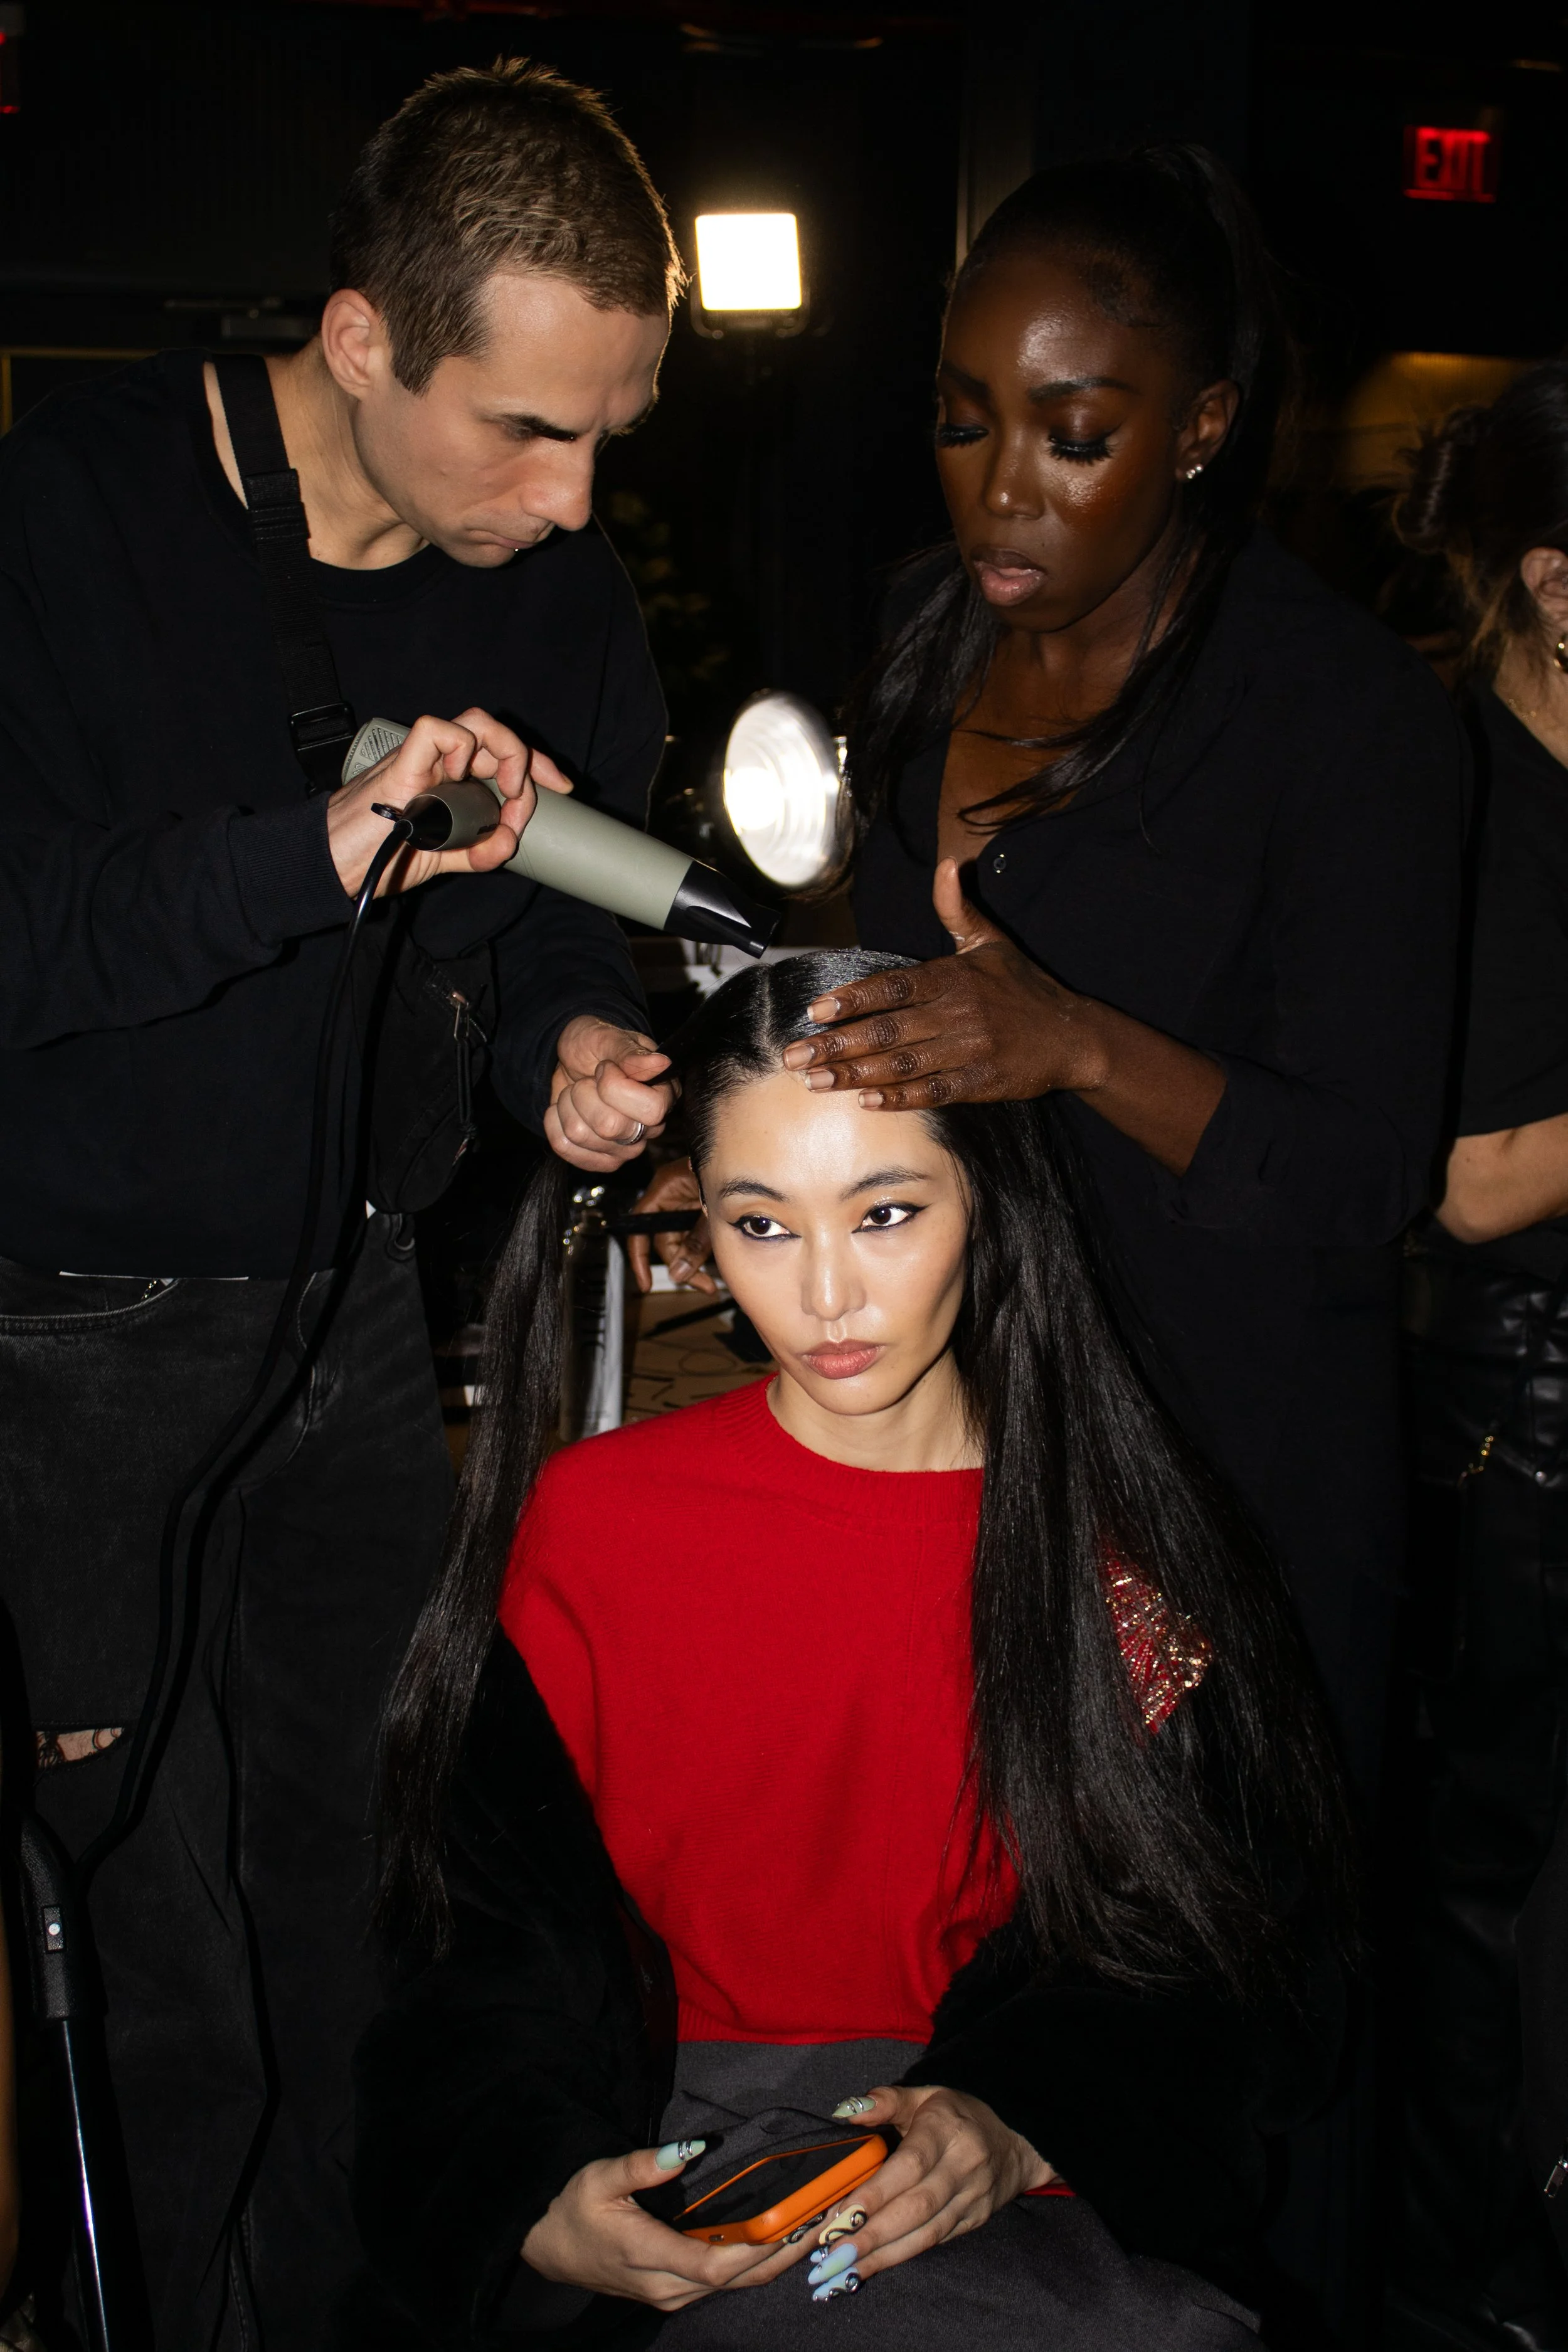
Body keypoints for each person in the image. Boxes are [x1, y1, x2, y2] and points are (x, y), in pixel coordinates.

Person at [0, 61, 680, 2352]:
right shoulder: (68, 514)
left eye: (614, 431)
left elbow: (550, 944)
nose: (579, 497)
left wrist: (573, 1046)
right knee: (153, 1976)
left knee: (370, 1910)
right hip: (69, 1351)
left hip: (363, 1331)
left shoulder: (552, 582)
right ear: (365, 335)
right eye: (530, 430)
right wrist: (314, 850)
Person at [348, 949, 1352, 2351]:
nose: (825, 1297)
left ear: (987, 1205)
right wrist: (525, 2187)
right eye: (761, 1226)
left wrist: (1011, 2119)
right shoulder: (594, 1524)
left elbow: (1210, 1954)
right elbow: (471, 1939)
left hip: (985, 2151)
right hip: (659, 2139)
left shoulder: (1112, 1554)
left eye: (884, 1213)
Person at [635, 147, 1466, 1811]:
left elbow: (1367, 1169)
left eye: (1074, 436)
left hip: (1227, 1488)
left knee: (1206, 2002)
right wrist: (744, 1154)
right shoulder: (920, 634)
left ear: (1201, 429)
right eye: (962, 422)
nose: (1001, 491)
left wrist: (1076, 1044)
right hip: (956, 1456)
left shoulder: (1343, 718)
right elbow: (865, 993)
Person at [1387, 363, 1568, 2352]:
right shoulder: (1450, 793)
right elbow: (1470, 1179)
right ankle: (1464, 2290)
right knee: (1483, 1894)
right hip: (1516, 1408)